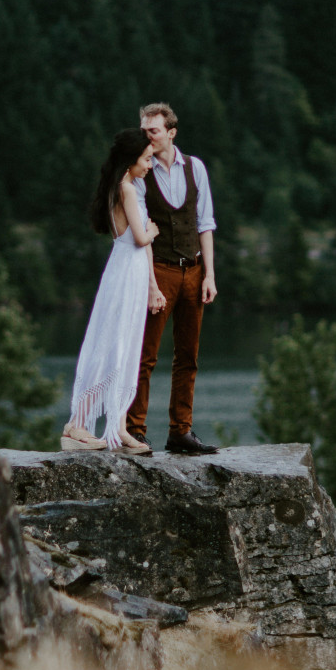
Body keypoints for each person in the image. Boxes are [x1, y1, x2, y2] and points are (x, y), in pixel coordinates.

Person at [61, 129, 165, 455]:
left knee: (125, 347)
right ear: (131, 158)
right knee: (113, 347)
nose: (150, 165)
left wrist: (152, 287)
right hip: (124, 274)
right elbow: (139, 237)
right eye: (146, 159)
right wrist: (152, 230)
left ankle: (118, 430)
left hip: (128, 273)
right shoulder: (126, 190)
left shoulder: (124, 187)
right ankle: (77, 424)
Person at [126, 102, 218, 455]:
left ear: (171, 132)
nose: (146, 135)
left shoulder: (196, 168)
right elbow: (143, 233)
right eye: (143, 129)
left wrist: (210, 274)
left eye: (153, 130)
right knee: (146, 355)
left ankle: (180, 431)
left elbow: (205, 223)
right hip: (160, 269)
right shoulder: (140, 173)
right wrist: (150, 283)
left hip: (194, 270)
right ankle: (135, 430)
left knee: (188, 355)